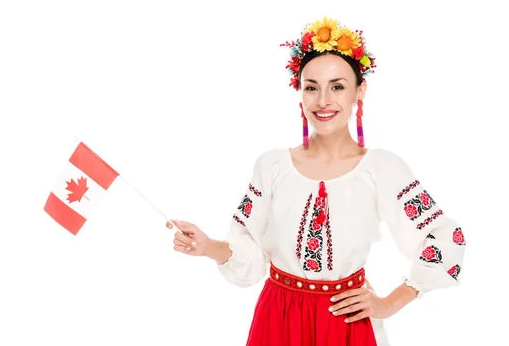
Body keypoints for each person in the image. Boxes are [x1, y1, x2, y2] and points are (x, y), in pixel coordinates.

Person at [166, 17, 466, 346]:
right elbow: (249, 257)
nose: (323, 100)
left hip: (346, 319)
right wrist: (208, 246)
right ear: (300, 93)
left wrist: (391, 302)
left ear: (359, 91)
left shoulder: (381, 169)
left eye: (337, 86)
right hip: (278, 317)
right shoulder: (272, 165)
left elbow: (447, 239)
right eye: (312, 87)